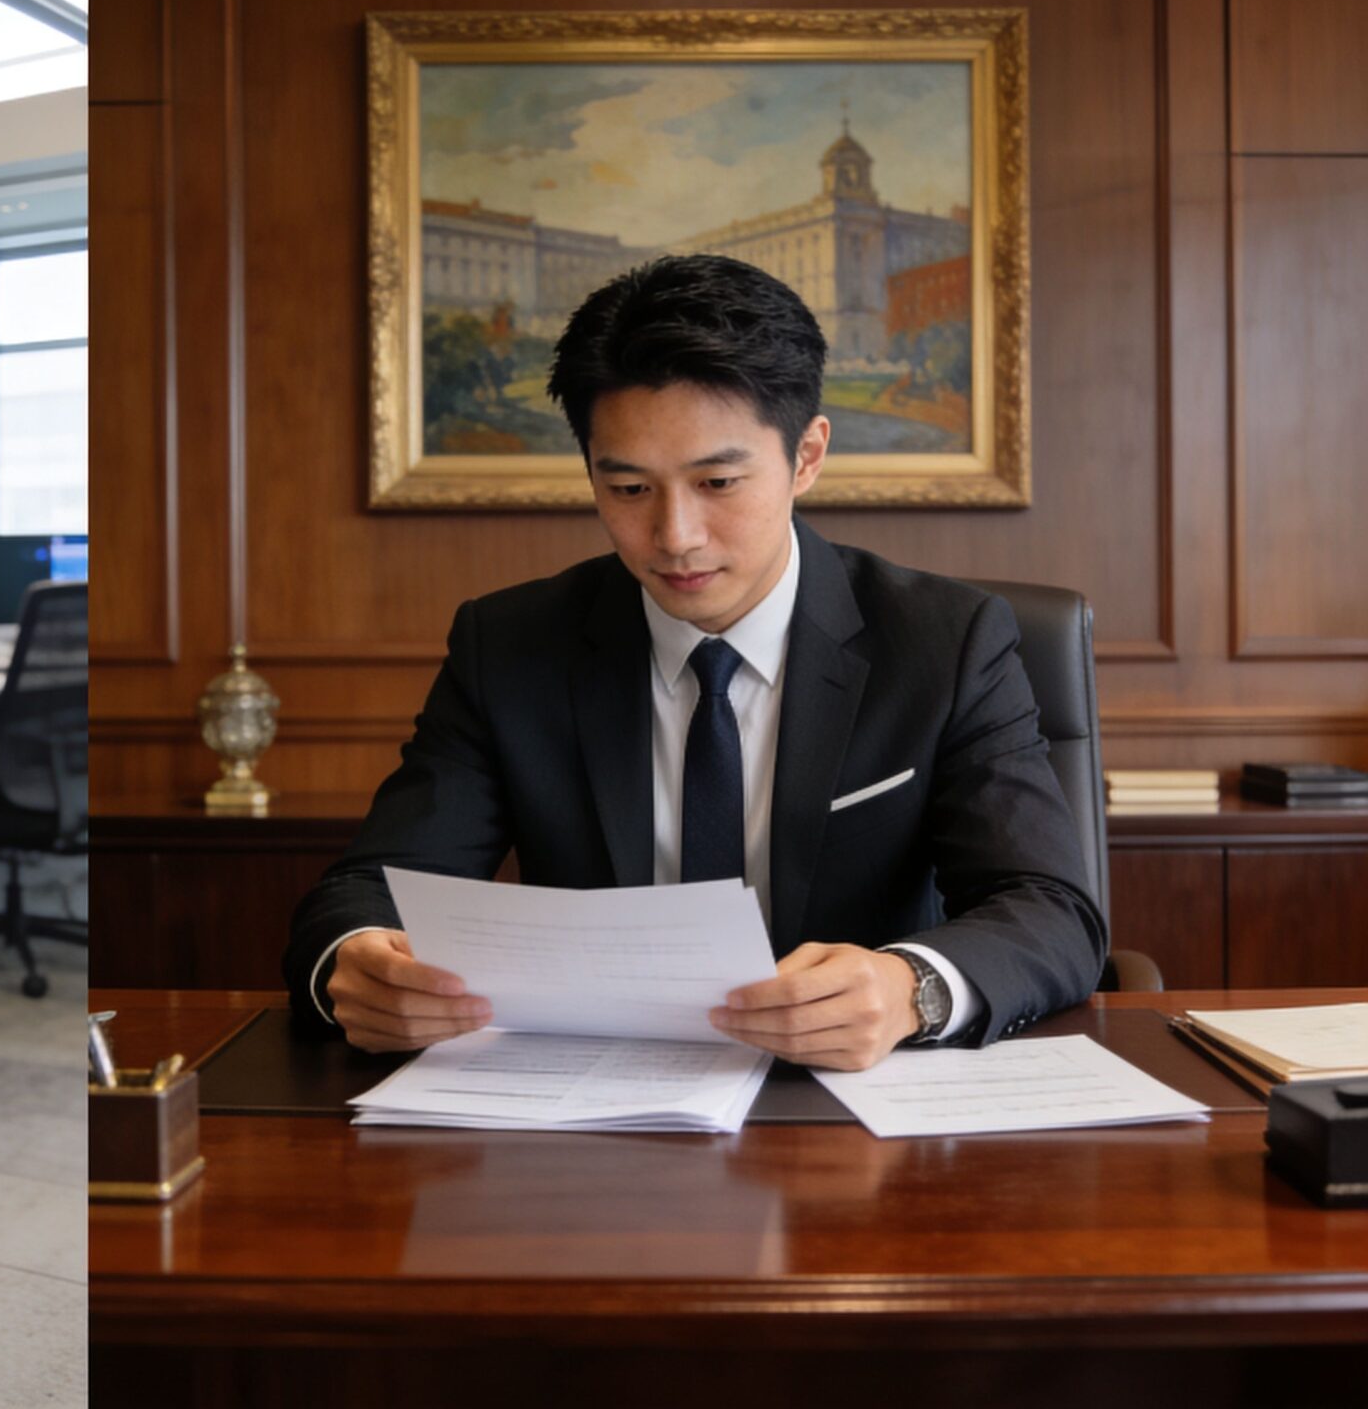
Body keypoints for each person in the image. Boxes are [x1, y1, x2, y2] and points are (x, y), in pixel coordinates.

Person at [287, 254, 1104, 1073]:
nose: (675, 536)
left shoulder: (944, 640)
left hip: (855, 1103)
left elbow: (1051, 910)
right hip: (590, 1106)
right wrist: (356, 964)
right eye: (630, 490)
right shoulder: (509, 646)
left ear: (808, 455)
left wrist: (911, 989)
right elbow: (368, 891)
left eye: (717, 481)